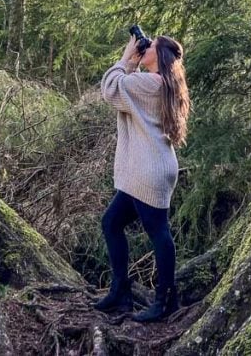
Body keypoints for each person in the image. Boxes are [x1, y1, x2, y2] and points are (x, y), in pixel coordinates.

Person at [93, 33, 190, 322]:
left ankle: (164, 302)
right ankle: (121, 290)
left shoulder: (150, 83)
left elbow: (111, 89)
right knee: (112, 222)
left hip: (149, 169)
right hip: (149, 167)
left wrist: (126, 57)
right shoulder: (159, 83)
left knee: (159, 233)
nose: (144, 49)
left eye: (150, 47)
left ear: (159, 56)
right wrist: (134, 63)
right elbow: (124, 92)